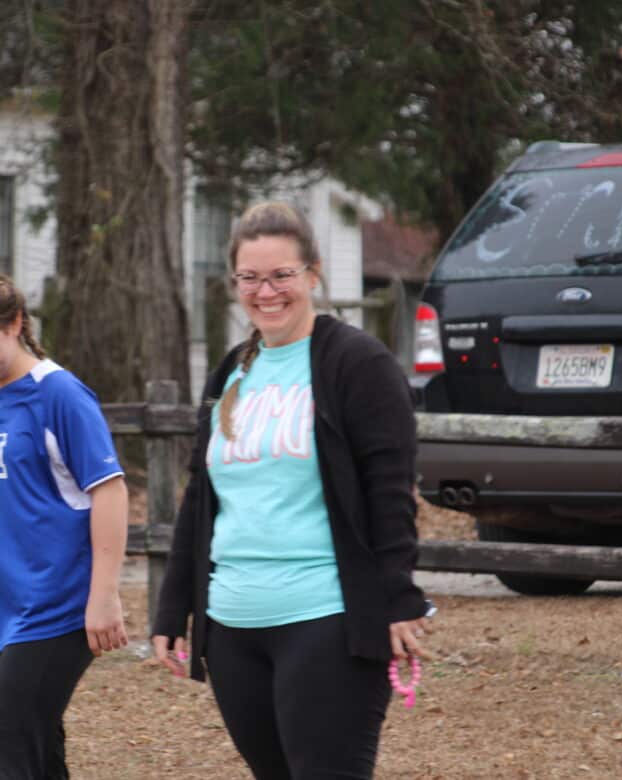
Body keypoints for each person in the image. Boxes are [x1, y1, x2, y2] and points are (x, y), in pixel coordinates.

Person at [151, 202, 434, 779]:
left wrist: (398, 598)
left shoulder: (357, 363)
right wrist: (173, 607)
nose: (266, 292)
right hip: (232, 629)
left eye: (282, 275)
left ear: (313, 274)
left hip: (325, 621)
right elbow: (201, 498)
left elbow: (389, 492)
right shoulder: (232, 370)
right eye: (250, 278)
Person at [0, 266, 129, 780]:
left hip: (57, 608)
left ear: (15, 323)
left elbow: (109, 491)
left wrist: (104, 595)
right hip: (2, 612)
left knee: (2, 755)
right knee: (36, 756)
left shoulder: (60, 395)